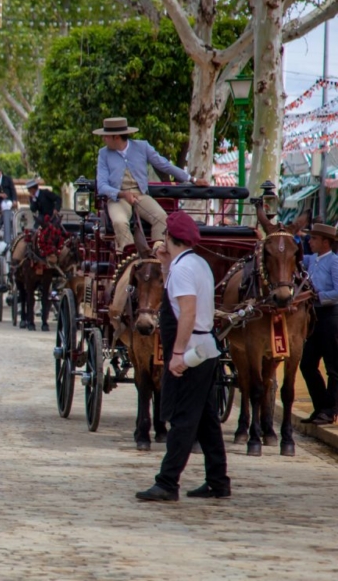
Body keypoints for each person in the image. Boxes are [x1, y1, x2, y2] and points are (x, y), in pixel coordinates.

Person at [136, 211, 229, 502]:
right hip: (205, 348)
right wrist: (165, 268)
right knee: (206, 421)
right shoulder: (195, 263)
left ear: (168, 238)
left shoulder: (183, 270)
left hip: (192, 351)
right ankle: (217, 481)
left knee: (183, 418)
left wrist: (177, 353)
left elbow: (186, 312)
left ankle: (167, 482)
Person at [95, 117, 205, 253]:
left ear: (116, 137)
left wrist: (192, 179)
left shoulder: (142, 147)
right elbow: (102, 185)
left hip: (141, 195)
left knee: (162, 218)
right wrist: (123, 194)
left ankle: (156, 256)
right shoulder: (103, 154)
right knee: (119, 222)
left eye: (105, 137)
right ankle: (129, 259)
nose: (103, 140)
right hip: (118, 197)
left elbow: (164, 165)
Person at [299, 223, 338, 426]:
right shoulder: (311, 260)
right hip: (314, 318)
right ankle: (321, 406)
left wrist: (316, 296)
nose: (309, 241)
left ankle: (329, 410)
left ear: (325, 242)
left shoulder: (334, 262)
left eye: (313, 238)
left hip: (331, 318)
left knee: (333, 367)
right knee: (306, 364)